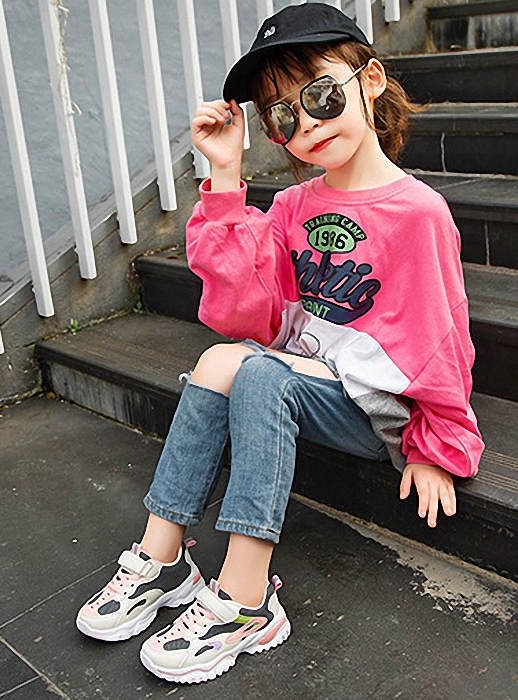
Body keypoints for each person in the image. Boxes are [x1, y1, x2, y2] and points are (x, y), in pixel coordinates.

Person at [76, 2, 485, 685]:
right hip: (305, 381)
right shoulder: (294, 207)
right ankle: (162, 557)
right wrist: (226, 175)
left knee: (262, 375)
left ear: (370, 80)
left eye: (321, 96)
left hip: (374, 405)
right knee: (220, 360)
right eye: (283, 116)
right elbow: (245, 315)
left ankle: (247, 601)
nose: (308, 124)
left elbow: (441, 336)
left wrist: (435, 446)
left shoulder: (418, 212)